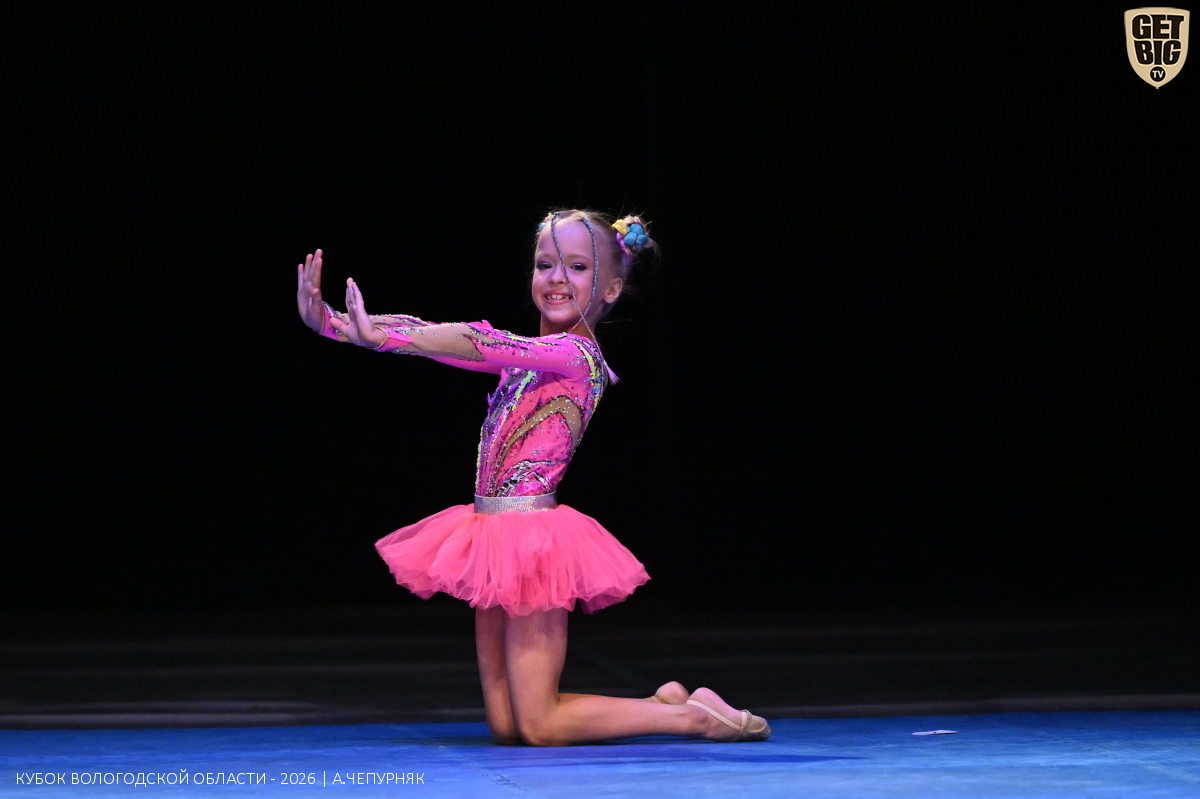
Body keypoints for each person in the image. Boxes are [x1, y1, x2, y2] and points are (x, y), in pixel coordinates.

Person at [295, 209, 770, 746]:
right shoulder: (529, 358)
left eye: (577, 267)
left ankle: (693, 717)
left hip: (532, 542)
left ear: (611, 289)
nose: (557, 278)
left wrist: (376, 337)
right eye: (546, 265)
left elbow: (475, 341)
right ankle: (662, 704)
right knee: (507, 727)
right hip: (490, 533)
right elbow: (449, 336)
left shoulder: (576, 356)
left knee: (540, 726)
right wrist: (333, 324)